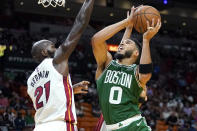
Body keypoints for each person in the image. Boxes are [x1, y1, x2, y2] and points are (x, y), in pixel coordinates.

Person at [27, 0, 94, 130]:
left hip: (40, 127)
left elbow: (49, 98)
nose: (57, 47)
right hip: (60, 126)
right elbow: (80, 23)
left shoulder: (30, 80)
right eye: (52, 46)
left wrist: (71, 89)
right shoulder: (56, 61)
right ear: (44, 52)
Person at [92, 6, 161, 131]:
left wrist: (146, 41)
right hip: (111, 127)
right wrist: (126, 24)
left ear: (136, 53)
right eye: (123, 43)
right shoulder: (107, 65)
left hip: (134, 126)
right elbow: (96, 40)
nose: (123, 43)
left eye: (128, 43)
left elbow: (145, 74)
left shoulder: (135, 71)